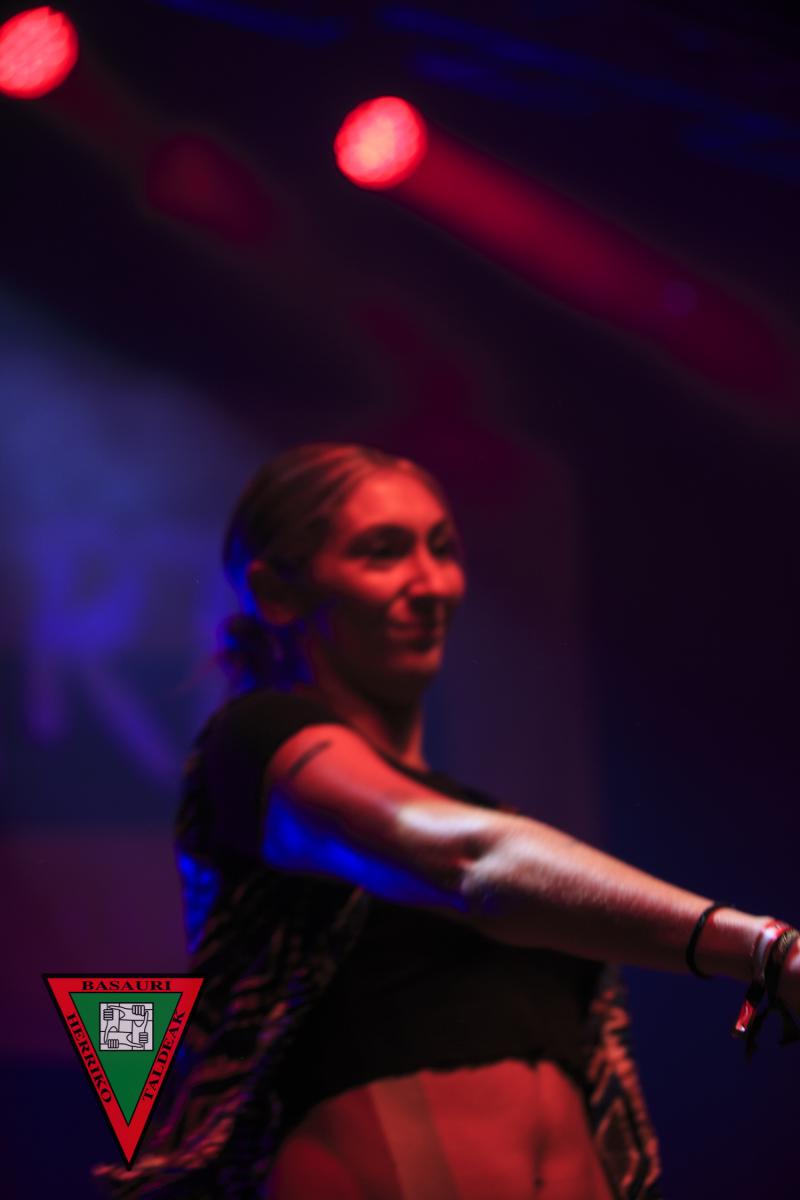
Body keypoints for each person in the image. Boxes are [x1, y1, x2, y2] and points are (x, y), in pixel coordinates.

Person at [93, 441, 800, 1200]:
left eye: (442, 548)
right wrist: (759, 949)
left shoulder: (491, 818)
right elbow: (472, 866)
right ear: (276, 593)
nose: (431, 585)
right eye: (383, 552)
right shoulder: (255, 747)